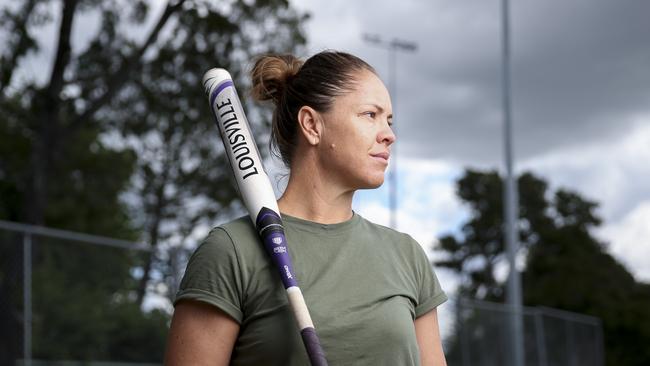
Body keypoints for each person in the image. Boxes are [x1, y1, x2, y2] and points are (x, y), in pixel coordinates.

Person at [164, 51, 448, 366]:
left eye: (389, 120)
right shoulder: (231, 251)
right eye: (371, 115)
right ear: (312, 125)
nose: (389, 135)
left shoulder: (406, 255)